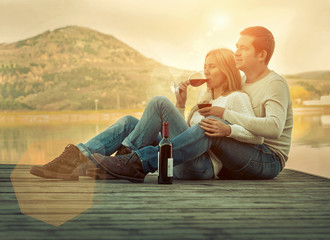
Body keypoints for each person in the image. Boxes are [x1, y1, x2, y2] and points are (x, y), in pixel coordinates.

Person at [88, 26, 293, 182]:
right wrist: (182, 103)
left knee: (208, 122)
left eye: (243, 48)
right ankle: (86, 159)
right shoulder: (240, 83)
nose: (237, 52)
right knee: (131, 122)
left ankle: (136, 161)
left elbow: (273, 129)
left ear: (261, 54)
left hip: (268, 158)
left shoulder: (273, 83)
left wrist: (226, 118)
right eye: (236, 47)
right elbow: (188, 132)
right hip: (215, 157)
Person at [30, 48, 262, 181]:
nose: (206, 71)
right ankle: (77, 158)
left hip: (201, 167)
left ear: (227, 69)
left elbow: (255, 136)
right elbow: (181, 137)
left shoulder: (236, 98)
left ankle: (124, 159)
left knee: (159, 103)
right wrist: (181, 105)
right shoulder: (204, 100)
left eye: (212, 66)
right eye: (205, 65)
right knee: (131, 121)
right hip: (178, 161)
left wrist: (228, 129)